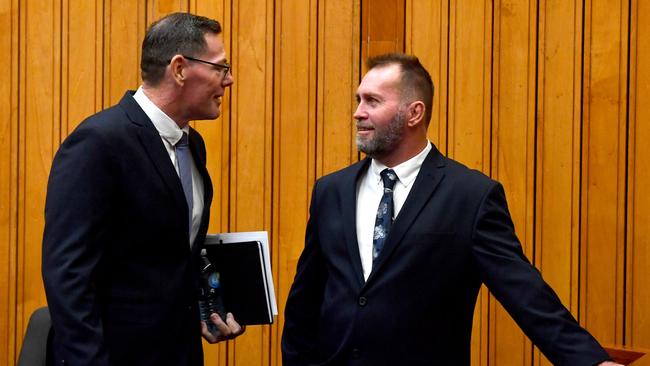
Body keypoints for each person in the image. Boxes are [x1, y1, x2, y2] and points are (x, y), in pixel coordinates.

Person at [281, 53, 621, 366]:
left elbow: (524, 292)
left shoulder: (471, 196)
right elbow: (305, 300)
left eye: (372, 101)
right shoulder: (331, 190)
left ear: (414, 112)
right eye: (358, 99)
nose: (358, 111)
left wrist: (590, 361)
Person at [42, 12, 244, 366]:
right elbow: (68, 272)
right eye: (220, 67)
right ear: (179, 69)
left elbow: (171, 254)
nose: (228, 80)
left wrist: (204, 308)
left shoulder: (192, 144)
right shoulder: (99, 142)